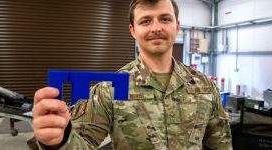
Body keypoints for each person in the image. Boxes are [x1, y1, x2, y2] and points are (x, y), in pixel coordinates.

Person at [28, 0, 233, 149]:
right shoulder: (109, 90)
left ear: (176, 26)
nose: (156, 28)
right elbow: (83, 144)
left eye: (165, 19)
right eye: (145, 21)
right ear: (132, 30)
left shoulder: (205, 87)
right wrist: (60, 139)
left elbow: (220, 146)